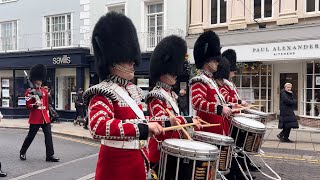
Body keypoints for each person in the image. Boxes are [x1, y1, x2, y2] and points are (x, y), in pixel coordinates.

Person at [82, 12, 164, 180]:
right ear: (113, 61)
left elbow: (140, 121)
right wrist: (142, 129)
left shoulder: (132, 90)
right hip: (116, 169)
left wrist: (168, 122)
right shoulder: (102, 92)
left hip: (136, 165)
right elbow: (97, 126)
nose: (133, 63)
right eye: (128, 60)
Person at [145, 35, 200, 175]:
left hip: (173, 148)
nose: (176, 74)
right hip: (161, 151)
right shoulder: (155, 95)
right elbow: (161, 122)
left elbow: (175, 119)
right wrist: (188, 121)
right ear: (162, 72)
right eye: (172, 71)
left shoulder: (171, 95)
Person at [190, 31, 232, 135]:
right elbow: (197, 102)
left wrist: (230, 106)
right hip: (207, 132)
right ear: (207, 62)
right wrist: (220, 109)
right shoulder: (200, 80)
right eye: (215, 61)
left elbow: (219, 102)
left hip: (217, 131)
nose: (218, 63)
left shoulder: (211, 81)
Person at [20, 64, 59, 162]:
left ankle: (50, 155)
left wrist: (49, 115)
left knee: (48, 136)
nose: (39, 82)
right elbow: (28, 106)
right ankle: (22, 152)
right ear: (34, 80)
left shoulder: (44, 92)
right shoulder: (29, 92)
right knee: (30, 136)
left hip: (45, 117)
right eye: (38, 81)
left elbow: (46, 105)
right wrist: (35, 105)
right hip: (35, 118)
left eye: (41, 81)